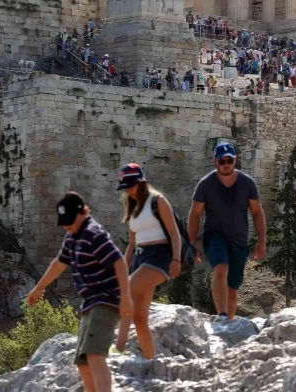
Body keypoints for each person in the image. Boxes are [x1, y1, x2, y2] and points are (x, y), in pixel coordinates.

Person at [27, 192, 132, 392]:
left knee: (94, 355)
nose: (67, 226)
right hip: (89, 304)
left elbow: (118, 261)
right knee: (83, 362)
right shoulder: (72, 237)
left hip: (106, 300)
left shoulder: (93, 233)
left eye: (70, 221)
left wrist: (126, 297)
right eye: (64, 222)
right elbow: (59, 263)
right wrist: (39, 287)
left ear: (83, 212)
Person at [188, 142, 267, 322]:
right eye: (222, 161)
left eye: (229, 160)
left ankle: (228, 322)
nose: (226, 164)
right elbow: (195, 214)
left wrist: (262, 241)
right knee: (220, 267)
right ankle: (222, 315)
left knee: (233, 287)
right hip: (214, 236)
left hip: (239, 240)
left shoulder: (247, 183)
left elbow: (257, 212)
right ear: (214, 161)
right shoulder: (205, 184)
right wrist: (192, 242)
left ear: (235, 160)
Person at [117, 163, 182, 359]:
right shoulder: (133, 206)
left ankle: (117, 347)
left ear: (141, 182)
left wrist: (177, 259)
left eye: (131, 185)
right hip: (140, 257)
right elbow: (131, 244)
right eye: (125, 187)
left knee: (125, 290)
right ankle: (151, 359)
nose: (128, 190)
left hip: (159, 256)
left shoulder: (158, 201)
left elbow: (174, 233)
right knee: (139, 318)